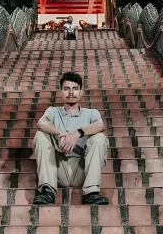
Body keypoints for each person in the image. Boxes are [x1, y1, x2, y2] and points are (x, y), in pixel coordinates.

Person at [32, 71, 109, 205]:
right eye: (67, 89)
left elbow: (100, 125)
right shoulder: (53, 111)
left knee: (99, 138)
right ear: (61, 92)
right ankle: (47, 191)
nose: (71, 92)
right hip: (58, 168)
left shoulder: (91, 113)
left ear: (81, 92)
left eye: (75, 89)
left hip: (82, 168)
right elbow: (41, 123)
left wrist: (77, 133)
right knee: (40, 135)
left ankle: (91, 193)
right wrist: (60, 133)